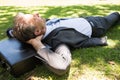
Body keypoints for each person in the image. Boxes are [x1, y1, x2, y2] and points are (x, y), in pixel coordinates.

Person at [7, 12, 120, 75]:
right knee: (115, 16)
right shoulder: (57, 41)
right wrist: (36, 44)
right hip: (96, 25)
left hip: (85, 18)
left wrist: (18, 34)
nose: (37, 14)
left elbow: (11, 31)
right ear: (37, 32)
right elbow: (61, 66)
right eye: (34, 17)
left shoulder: (41, 27)